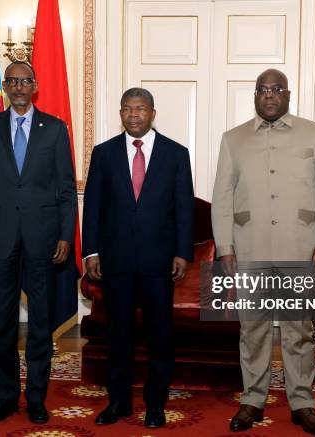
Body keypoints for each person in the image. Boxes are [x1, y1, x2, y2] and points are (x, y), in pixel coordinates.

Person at [211, 69, 315, 435]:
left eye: (276, 90)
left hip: (300, 250)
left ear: (288, 94)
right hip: (249, 251)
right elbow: (221, 199)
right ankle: (252, 400)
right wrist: (225, 248)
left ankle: (302, 402)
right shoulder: (233, 139)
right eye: (262, 90)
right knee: (251, 329)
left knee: (296, 330)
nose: (269, 96)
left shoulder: (313, 134)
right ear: (255, 96)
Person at [0, 61, 77, 424]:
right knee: (5, 322)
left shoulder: (55, 130)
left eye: (24, 81)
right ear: (5, 85)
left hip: (44, 238)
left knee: (41, 322)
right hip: (0, 237)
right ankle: (6, 396)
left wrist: (65, 234)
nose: (18, 87)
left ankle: (37, 398)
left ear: (36, 85)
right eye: (12, 81)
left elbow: (65, 189)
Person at [82, 87, 194, 428]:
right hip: (115, 262)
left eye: (141, 108)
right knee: (119, 336)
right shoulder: (103, 154)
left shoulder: (176, 154)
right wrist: (91, 251)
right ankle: (118, 403)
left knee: (160, 336)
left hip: (159, 262)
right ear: (120, 113)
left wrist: (182, 252)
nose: (134, 114)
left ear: (152, 113)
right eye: (128, 108)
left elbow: (184, 208)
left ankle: (155, 404)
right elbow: (94, 206)